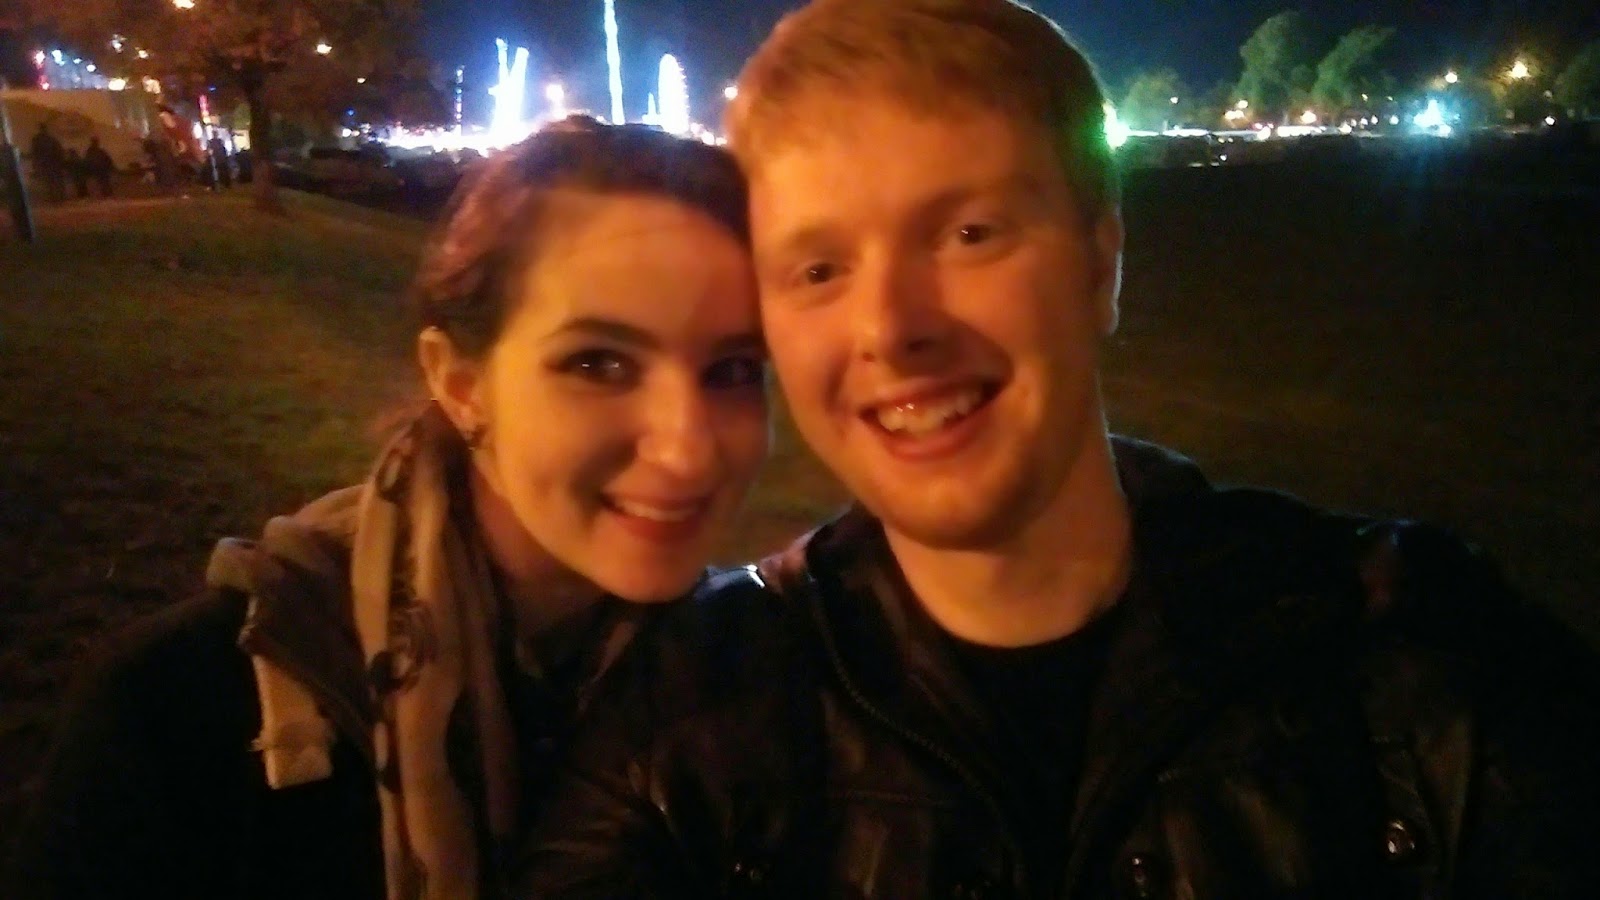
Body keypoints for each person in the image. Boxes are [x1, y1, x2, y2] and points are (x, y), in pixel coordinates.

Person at [514, 2, 1600, 898]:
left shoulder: (1412, 655)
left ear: (1100, 266)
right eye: (819, 269)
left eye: (968, 233)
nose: (890, 327)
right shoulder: (684, 728)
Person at [10, 120, 769, 899]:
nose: (687, 450)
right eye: (598, 363)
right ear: (461, 385)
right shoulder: (176, 714)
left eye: (735, 369)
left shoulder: (767, 678)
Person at [29, 122, 65, 202]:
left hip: (45, 163)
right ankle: (58, 197)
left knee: (48, 181)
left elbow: (34, 152)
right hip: (52, 163)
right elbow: (59, 151)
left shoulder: (37, 139)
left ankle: (53, 197)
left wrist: (35, 163)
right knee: (54, 181)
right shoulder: (51, 139)